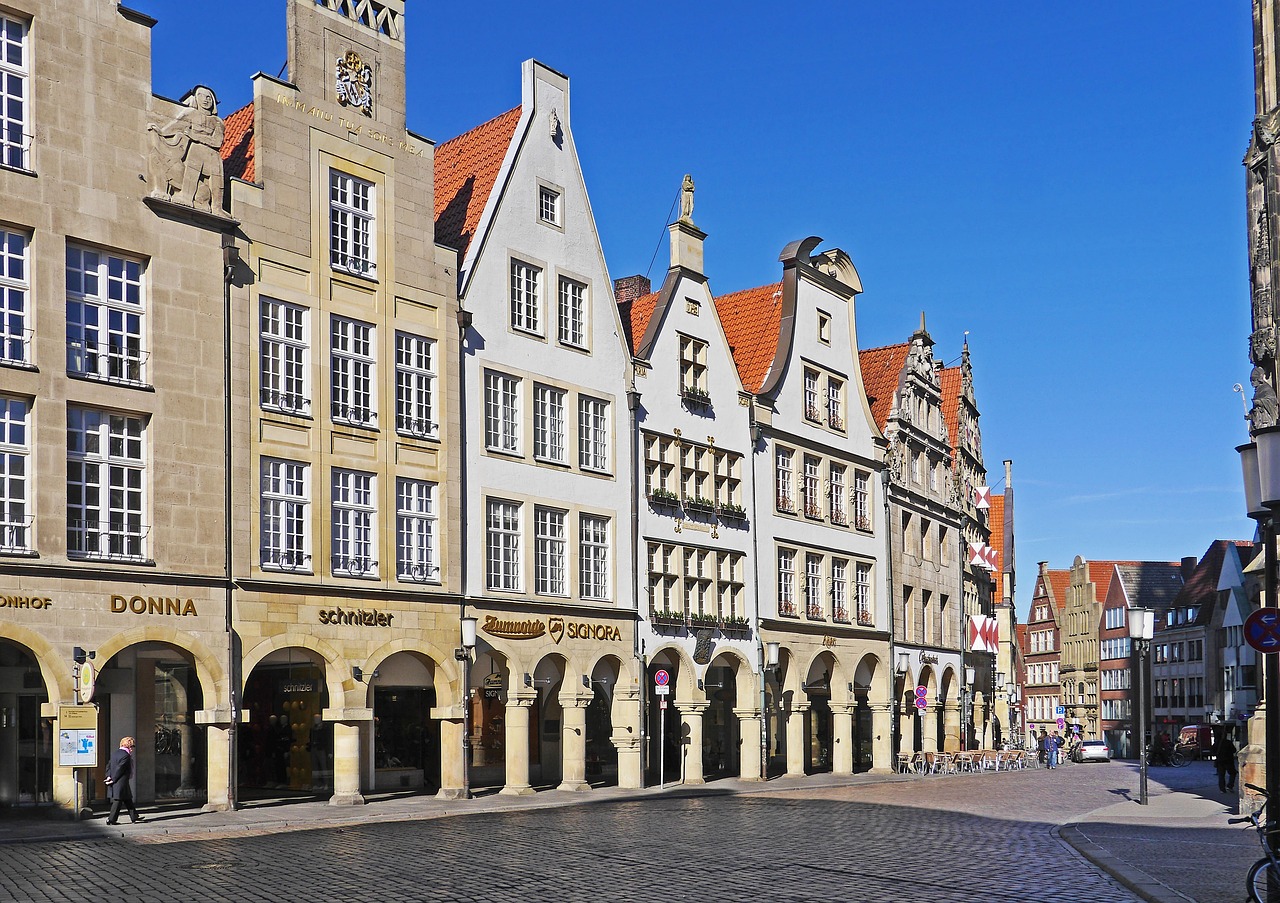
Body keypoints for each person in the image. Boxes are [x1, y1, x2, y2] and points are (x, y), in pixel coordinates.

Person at [104, 736, 142, 824]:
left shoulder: (115, 753)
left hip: (118, 780)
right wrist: (113, 779)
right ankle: (111, 819)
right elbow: (120, 769)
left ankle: (134, 816)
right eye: (132, 746)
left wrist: (108, 776)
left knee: (127, 798)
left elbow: (109, 766)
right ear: (128, 746)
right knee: (118, 800)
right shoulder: (126, 756)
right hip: (120, 781)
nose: (132, 749)